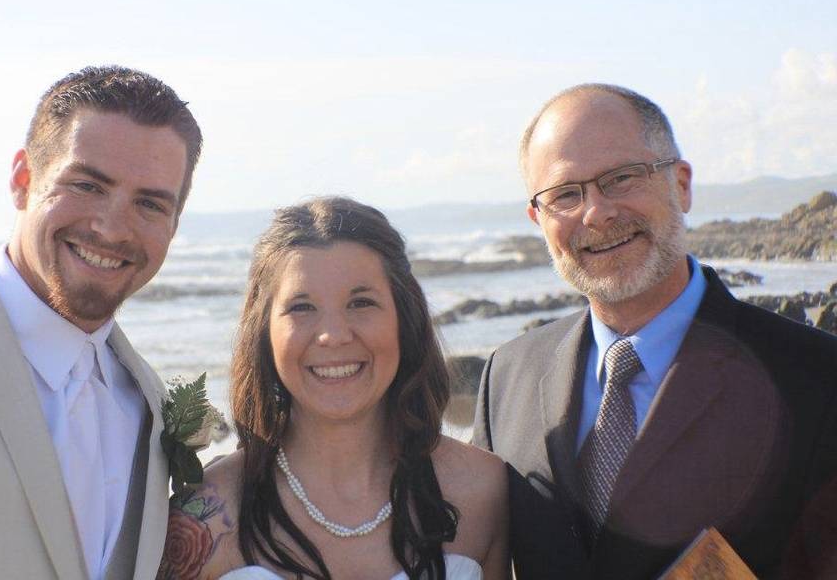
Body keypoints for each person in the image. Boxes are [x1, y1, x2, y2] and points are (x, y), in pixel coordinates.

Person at [472, 83, 837, 579]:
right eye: (565, 195)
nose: (596, 212)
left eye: (622, 178)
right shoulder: (507, 377)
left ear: (681, 185)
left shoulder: (817, 379)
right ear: (538, 218)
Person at [0, 65, 202, 579]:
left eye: (149, 203)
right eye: (88, 185)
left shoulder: (151, 402)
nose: (112, 228)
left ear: (174, 224)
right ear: (23, 179)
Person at [157, 197, 508, 579]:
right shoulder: (204, 515)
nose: (333, 336)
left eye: (361, 302)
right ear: (264, 331)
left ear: (403, 320)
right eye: (302, 308)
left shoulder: (482, 489)